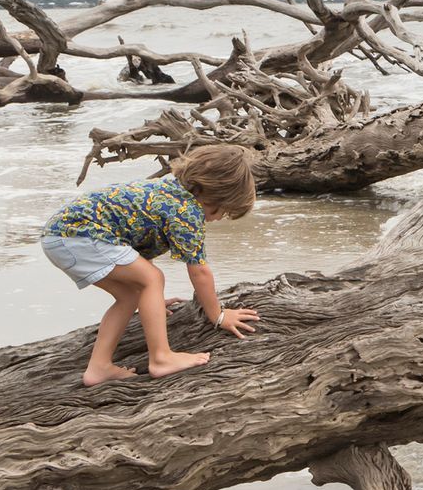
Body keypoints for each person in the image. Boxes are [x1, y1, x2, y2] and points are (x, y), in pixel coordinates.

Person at [41, 145, 261, 385]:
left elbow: (136, 243)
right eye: (222, 211)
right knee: (153, 279)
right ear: (213, 193)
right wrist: (218, 315)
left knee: (132, 293)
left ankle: (99, 367)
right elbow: (199, 271)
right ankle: (161, 358)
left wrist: (151, 302)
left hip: (61, 235)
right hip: (78, 234)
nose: (217, 218)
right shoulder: (187, 211)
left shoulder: (167, 191)